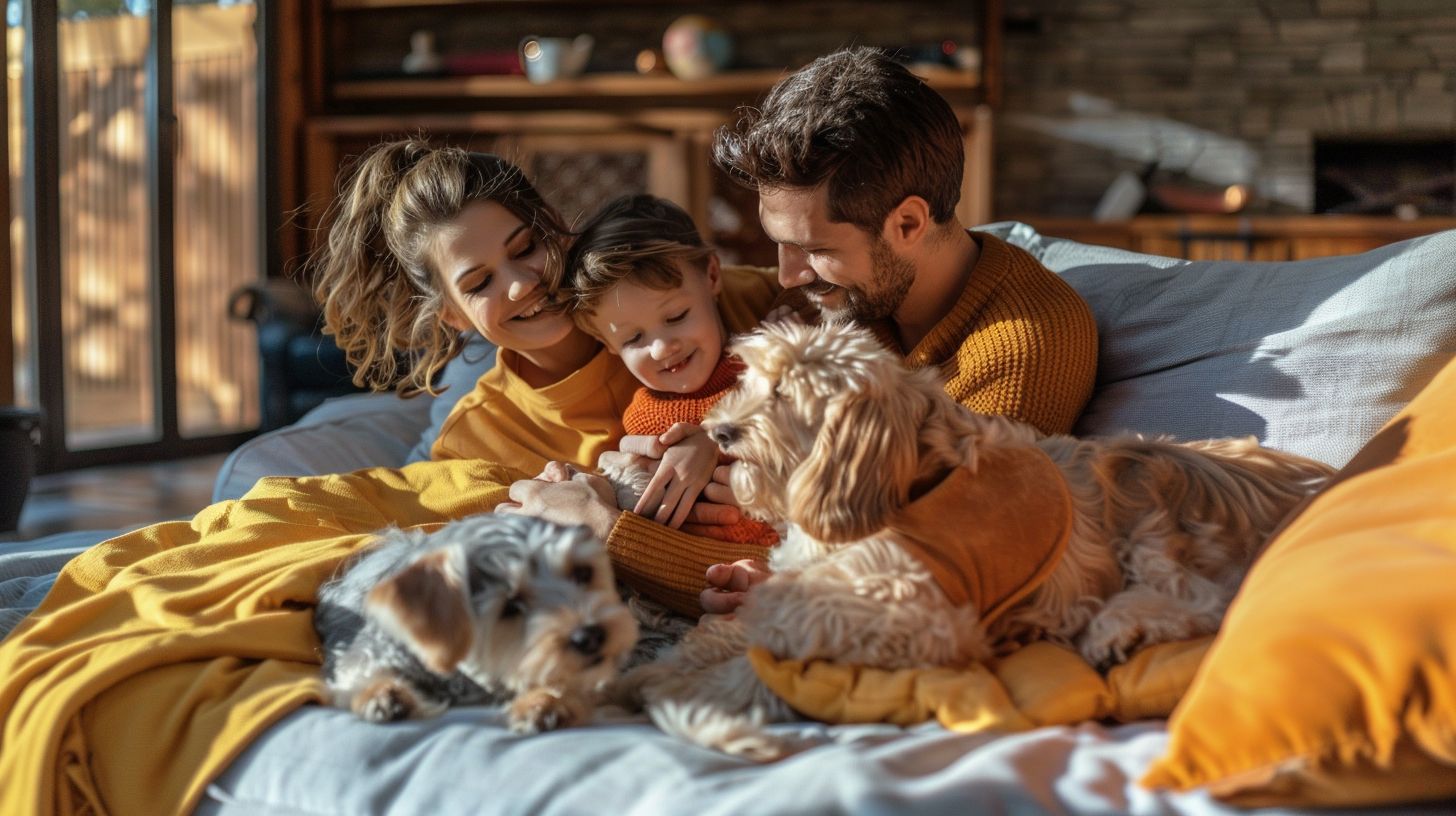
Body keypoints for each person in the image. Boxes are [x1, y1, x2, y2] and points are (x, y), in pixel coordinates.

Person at [504, 46, 1100, 616]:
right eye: (778, 244)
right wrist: (723, 436)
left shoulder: (1024, 347)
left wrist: (606, 534)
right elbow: (667, 302)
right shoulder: (839, 294)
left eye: (811, 248)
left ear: (909, 222)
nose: (786, 275)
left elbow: (900, 580)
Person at [563, 192, 779, 546]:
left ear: (711, 275)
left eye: (677, 316)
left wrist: (714, 445)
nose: (663, 347)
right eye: (633, 339)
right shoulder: (648, 426)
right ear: (606, 344)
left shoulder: (767, 364)